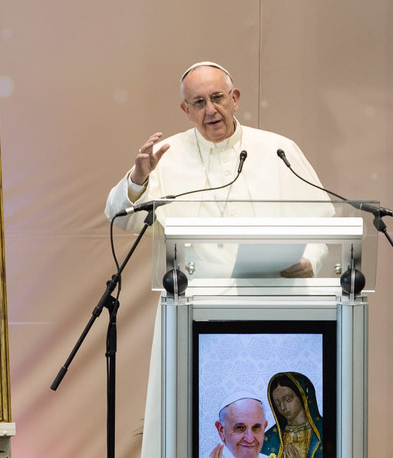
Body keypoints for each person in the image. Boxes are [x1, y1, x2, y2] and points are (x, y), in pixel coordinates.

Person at [104, 62, 332, 457]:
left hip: (272, 305)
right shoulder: (165, 156)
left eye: (217, 98)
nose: (210, 110)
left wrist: (311, 260)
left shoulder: (278, 149)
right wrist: (139, 179)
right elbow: (119, 216)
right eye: (198, 102)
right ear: (185, 110)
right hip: (191, 309)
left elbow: (324, 221)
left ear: (235, 98)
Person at [261, 372, 323, 458]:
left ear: (303, 397)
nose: (283, 407)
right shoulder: (270, 438)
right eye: (278, 403)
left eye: (288, 399)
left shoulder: (324, 431)